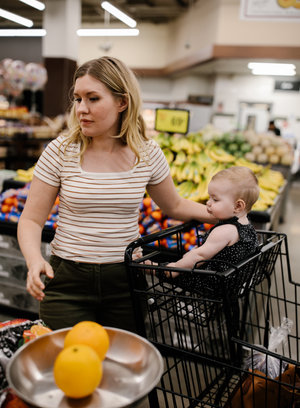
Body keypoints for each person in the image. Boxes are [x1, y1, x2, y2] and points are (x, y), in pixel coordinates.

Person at [17, 56, 215, 332]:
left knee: (119, 365)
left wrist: (220, 215)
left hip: (125, 281)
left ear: (122, 102)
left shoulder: (146, 153)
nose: (81, 109)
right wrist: (34, 259)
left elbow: (175, 205)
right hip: (67, 282)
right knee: (65, 364)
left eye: (93, 98)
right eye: (77, 99)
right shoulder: (60, 151)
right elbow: (31, 220)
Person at [164, 166, 260, 277]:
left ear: (238, 206)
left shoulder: (224, 230)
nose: (208, 203)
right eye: (209, 197)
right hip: (234, 279)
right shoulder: (245, 225)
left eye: (215, 199)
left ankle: (151, 267)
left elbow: (200, 256)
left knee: (169, 272)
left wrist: (176, 267)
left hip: (212, 281)